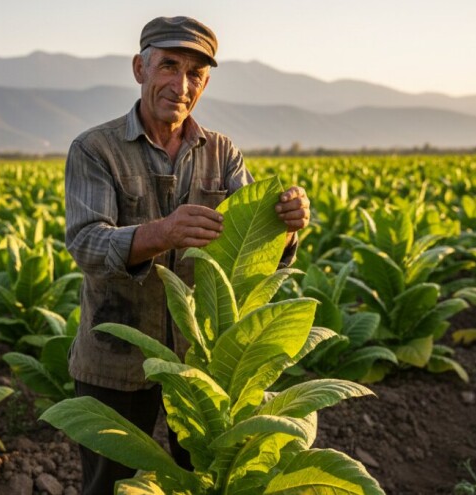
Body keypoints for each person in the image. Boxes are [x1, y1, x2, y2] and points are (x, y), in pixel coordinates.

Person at [63, 15, 310, 494]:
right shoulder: (95, 149)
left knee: (202, 479)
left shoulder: (224, 153)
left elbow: (252, 253)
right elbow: (88, 245)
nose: (181, 84)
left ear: (206, 83)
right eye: (169, 66)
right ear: (140, 68)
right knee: (109, 484)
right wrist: (163, 233)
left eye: (195, 73)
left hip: (202, 362)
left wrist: (285, 226)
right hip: (117, 356)